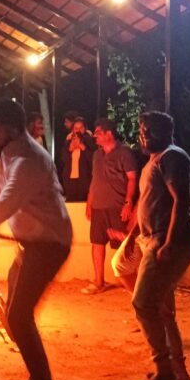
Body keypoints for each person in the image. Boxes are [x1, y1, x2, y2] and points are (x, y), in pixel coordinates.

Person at [0, 97, 72, 380]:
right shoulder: (8, 152)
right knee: (12, 315)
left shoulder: (28, 160)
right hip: (31, 245)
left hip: (47, 246)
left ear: (12, 128)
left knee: (18, 316)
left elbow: (5, 203)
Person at [114, 112, 190, 380]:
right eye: (142, 130)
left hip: (166, 242)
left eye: (149, 130)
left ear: (167, 132)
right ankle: (175, 371)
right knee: (155, 302)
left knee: (144, 303)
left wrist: (170, 242)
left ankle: (166, 373)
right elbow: (149, 202)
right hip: (150, 240)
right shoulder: (155, 159)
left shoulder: (172, 157)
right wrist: (131, 237)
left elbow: (182, 201)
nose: (144, 135)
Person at [82, 118, 138, 295]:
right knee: (97, 242)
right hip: (98, 207)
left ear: (109, 133)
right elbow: (95, 180)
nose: (95, 136)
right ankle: (99, 282)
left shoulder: (125, 153)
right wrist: (89, 203)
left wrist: (128, 203)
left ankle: (135, 282)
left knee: (124, 244)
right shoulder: (97, 155)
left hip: (117, 206)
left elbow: (132, 179)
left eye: (99, 132)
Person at [61, 116, 94, 201]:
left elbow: (93, 160)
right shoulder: (68, 141)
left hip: (85, 180)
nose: (78, 130)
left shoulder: (90, 141)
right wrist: (70, 149)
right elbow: (63, 160)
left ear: (85, 129)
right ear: (73, 130)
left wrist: (82, 146)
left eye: (81, 128)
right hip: (70, 179)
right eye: (76, 128)